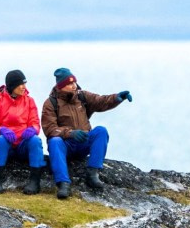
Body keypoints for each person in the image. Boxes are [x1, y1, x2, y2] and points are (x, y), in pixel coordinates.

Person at [41, 67, 133, 198]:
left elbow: (101, 101)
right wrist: (70, 133)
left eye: (74, 82)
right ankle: (63, 184)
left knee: (101, 131)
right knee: (54, 141)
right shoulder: (51, 103)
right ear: (60, 86)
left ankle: (92, 173)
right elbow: (49, 129)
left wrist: (118, 98)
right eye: (69, 84)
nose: (74, 86)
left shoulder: (82, 96)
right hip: (66, 145)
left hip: (83, 141)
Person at [0, 70, 45, 195]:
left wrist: (33, 129)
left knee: (35, 140)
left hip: (23, 145)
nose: (24, 87)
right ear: (12, 86)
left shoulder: (30, 101)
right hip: (7, 146)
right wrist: (1, 130)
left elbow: (35, 122)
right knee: (1, 140)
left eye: (25, 84)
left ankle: (34, 182)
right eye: (21, 84)